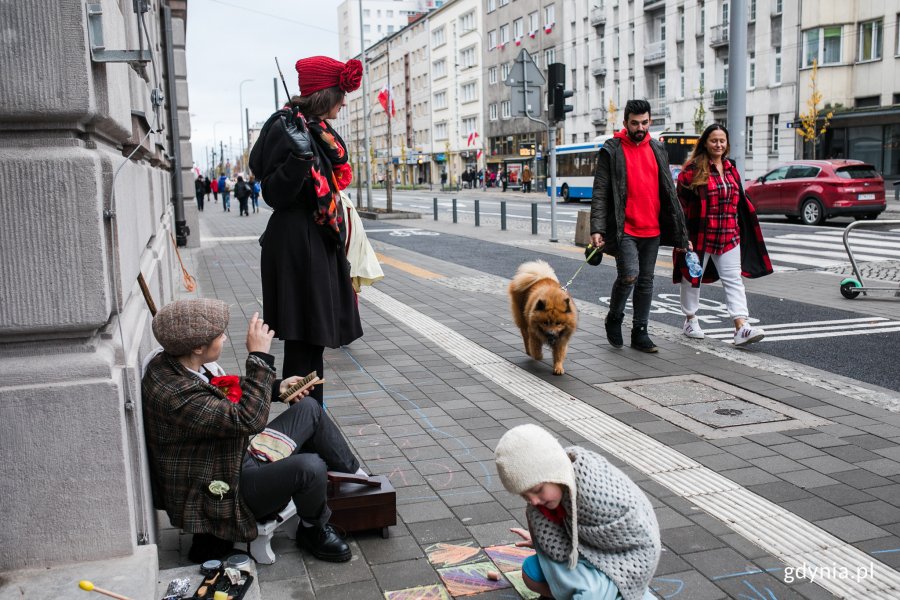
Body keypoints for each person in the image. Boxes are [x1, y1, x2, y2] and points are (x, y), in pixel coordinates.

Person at [142, 299, 363, 565]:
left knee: (309, 408)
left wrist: (277, 388)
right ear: (199, 347)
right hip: (222, 490)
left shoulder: (181, 364)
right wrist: (259, 358)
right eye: (219, 334)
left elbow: (224, 390)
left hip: (232, 459)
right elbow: (249, 419)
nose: (225, 337)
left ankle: (359, 479)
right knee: (310, 466)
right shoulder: (175, 393)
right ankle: (312, 528)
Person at [249, 55, 364, 405]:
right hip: (297, 245)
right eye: (340, 94)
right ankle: (302, 432)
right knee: (302, 344)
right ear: (323, 95)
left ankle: (312, 425)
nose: (343, 102)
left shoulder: (318, 130)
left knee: (314, 345)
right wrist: (298, 161)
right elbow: (274, 194)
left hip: (318, 240)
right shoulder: (286, 127)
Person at [495, 424, 660, 600]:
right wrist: (539, 541)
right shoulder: (549, 496)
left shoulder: (597, 495)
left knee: (590, 594)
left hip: (625, 559)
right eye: (525, 496)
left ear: (554, 472)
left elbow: (640, 545)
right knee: (531, 572)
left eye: (537, 489)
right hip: (586, 555)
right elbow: (562, 540)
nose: (534, 501)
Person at [589, 99, 689, 353]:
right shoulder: (611, 150)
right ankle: (614, 317)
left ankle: (640, 332)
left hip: (652, 229)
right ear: (625, 123)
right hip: (625, 229)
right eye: (635, 123)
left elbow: (668, 190)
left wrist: (681, 232)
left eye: (644, 122)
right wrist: (597, 229)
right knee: (629, 275)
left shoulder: (657, 148)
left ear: (650, 121)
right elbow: (600, 192)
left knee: (646, 282)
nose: (640, 128)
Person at [675, 124, 772, 346]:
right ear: (705, 143)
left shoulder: (730, 168)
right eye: (714, 141)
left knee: (734, 280)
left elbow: (738, 202)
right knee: (691, 279)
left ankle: (741, 327)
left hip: (729, 235)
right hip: (699, 237)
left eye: (722, 141)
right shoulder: (690, 171)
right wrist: (682, 236)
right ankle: (690, 319)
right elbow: (679, 206)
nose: (719, 145)